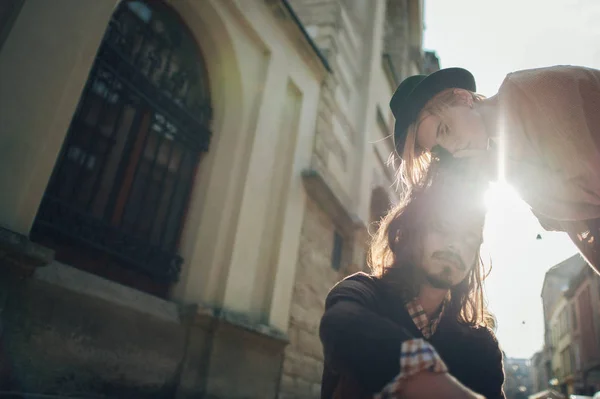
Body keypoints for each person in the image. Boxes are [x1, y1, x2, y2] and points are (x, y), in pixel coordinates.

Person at [389, 65, 600, 272]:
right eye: (440, 151)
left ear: (463, 97)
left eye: (445, 130)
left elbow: (590, 187)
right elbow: (562, 220)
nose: (454, 150)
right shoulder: (506, 160)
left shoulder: (523, 93)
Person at [319, 171, 505, 399]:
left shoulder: (481, 346)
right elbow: (340, 325)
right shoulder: (363, 292)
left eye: (469, 238)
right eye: (442, 228)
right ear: (411, 232)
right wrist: (432, 381)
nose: (456, 245)